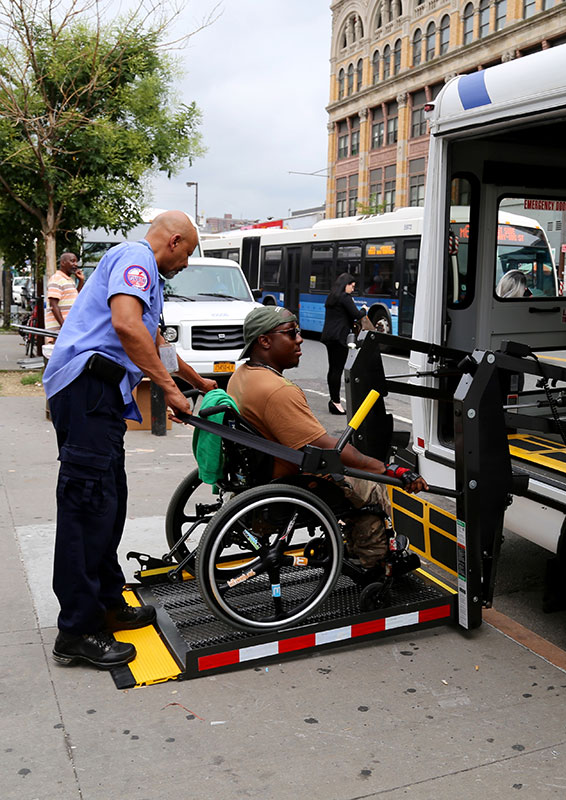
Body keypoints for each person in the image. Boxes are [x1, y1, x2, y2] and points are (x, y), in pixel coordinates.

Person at [43, 210, 218, 671]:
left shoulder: (146, 278)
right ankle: (77, 630)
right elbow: (125, 324)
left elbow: (152, 338)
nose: (184, 265)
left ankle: (105, 601)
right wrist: (169, 390)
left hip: (100, 397)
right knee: (85, 506)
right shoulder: (134, 256)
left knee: (109, 501)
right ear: (175, 240)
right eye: (188, 255)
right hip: (87, 390)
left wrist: (197, 383)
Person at [227, 305, 428, 571]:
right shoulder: (277, 391)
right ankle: (376, 561)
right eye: (290, 333)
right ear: (264, 341)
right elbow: (326, 448)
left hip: (260, 472)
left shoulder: (240, 376)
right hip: (290, 480)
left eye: (297, 332)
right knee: (372, 487)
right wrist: (388, 469)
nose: (300, 339)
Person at [321, 272, 365, 415]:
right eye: (352, 286)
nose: (353, 289)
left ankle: (333, 401)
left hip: (329, 336)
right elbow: (356, 315)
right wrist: (365, 309)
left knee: (332, 369)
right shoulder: (345, 297)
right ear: (345, 285)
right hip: (339, 337)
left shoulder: (332, 297)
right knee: (337, 370)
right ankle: (336, 402)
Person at [45, 252, 85, 340]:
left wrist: (81, 281)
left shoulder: (69, 280)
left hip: (68, 329)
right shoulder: (57, 279)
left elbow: (75, 300)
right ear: (63, 263)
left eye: (76, 262)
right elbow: (53, 305)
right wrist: (64, 326)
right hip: (59, 331)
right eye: (72, 261)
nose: (75, 264)